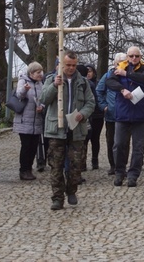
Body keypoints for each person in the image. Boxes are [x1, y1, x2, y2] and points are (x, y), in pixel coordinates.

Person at [42, 50, 96, 210]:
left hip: (76, 128)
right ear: (61, 65)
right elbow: (43, 99)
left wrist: (82, 114)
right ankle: (57, 198)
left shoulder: (83, 82)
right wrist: (54, 86)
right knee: (56, 166)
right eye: (68, 65)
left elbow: (91, 103)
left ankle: (71, 190)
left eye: (74, 65)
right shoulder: (51, 79)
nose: (71, 68)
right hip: (56, 128)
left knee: (75, 165)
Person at [105, 45, 144, 188]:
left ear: (140, 57)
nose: (134, 59)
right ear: (127, 57)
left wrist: (125, 75)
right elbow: (109, 82)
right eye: (131, 56)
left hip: (140, 115)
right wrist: (122, 89)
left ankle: (133, 175)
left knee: (138, 148)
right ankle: (120, 172)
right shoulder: (119, 67)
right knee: (118, 145)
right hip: (123, 114)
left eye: (136, 56)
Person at [96, 52, 127, 175]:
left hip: (125, 114)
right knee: (111, 141)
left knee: (124, 142)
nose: (120, 65)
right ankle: (113, 165)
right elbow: (99, 91)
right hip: (111, 115)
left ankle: (123, 164)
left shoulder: (128, 75)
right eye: (118, 63)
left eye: (123, 63)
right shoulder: (107, 76)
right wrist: (104, 106)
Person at [13, 62, 45, 180]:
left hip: (36, 119)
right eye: (38, 72)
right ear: (31, 73)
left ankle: (29, 168)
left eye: (41, 72)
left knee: (33, 147)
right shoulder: (23, 81)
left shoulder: (40, 84)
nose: (40, 74)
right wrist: (25, 90)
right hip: (24, 120)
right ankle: (23, 169)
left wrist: (42, 106)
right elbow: (19, 95)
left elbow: (44, 98)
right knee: (26, 146)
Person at [85, 65, 104, 170]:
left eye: (90, 71)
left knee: (95, 138)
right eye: (87, 71)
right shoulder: (83, 83)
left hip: (97, 115)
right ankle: (83, 161)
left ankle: (95, 159)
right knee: (85, 139)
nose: (88, 73)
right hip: (87, 115)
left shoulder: (98, 84)